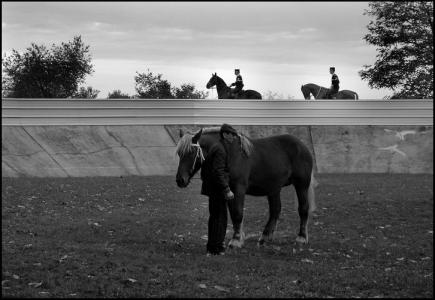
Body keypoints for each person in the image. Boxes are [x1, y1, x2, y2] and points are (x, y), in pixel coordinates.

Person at [200, 123, 237, 255]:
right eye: (231, 134)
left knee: (216, 217)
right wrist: (227, 189)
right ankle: (216, 248)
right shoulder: (220, 149)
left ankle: (212, 246)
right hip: (217, 190)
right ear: (225, 134)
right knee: (219, 219)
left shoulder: (218, 146)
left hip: (213, 188)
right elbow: (218, 171)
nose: (233, 137)